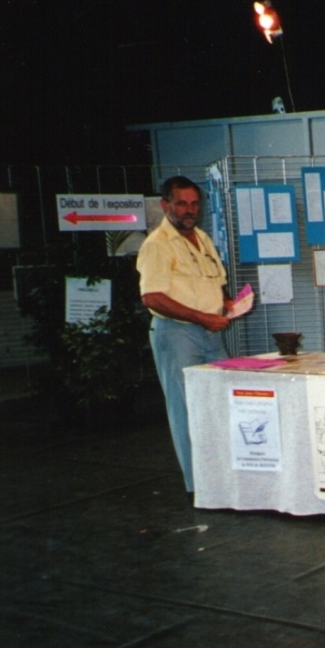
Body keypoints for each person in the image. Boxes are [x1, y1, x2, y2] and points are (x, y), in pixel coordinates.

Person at [136, 176, 234, 494]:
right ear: (166, 205)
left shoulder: (202, 238)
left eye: (194, 203)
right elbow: (152, 297)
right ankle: (199, 488)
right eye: (182, 203)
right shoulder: (157, 245)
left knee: (220, 402)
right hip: (177, 334)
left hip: (209, 333)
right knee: (185, 408)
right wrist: (200, 316)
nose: (189, 210)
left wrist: (226, 303)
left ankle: (224, 479)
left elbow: (214, 284)